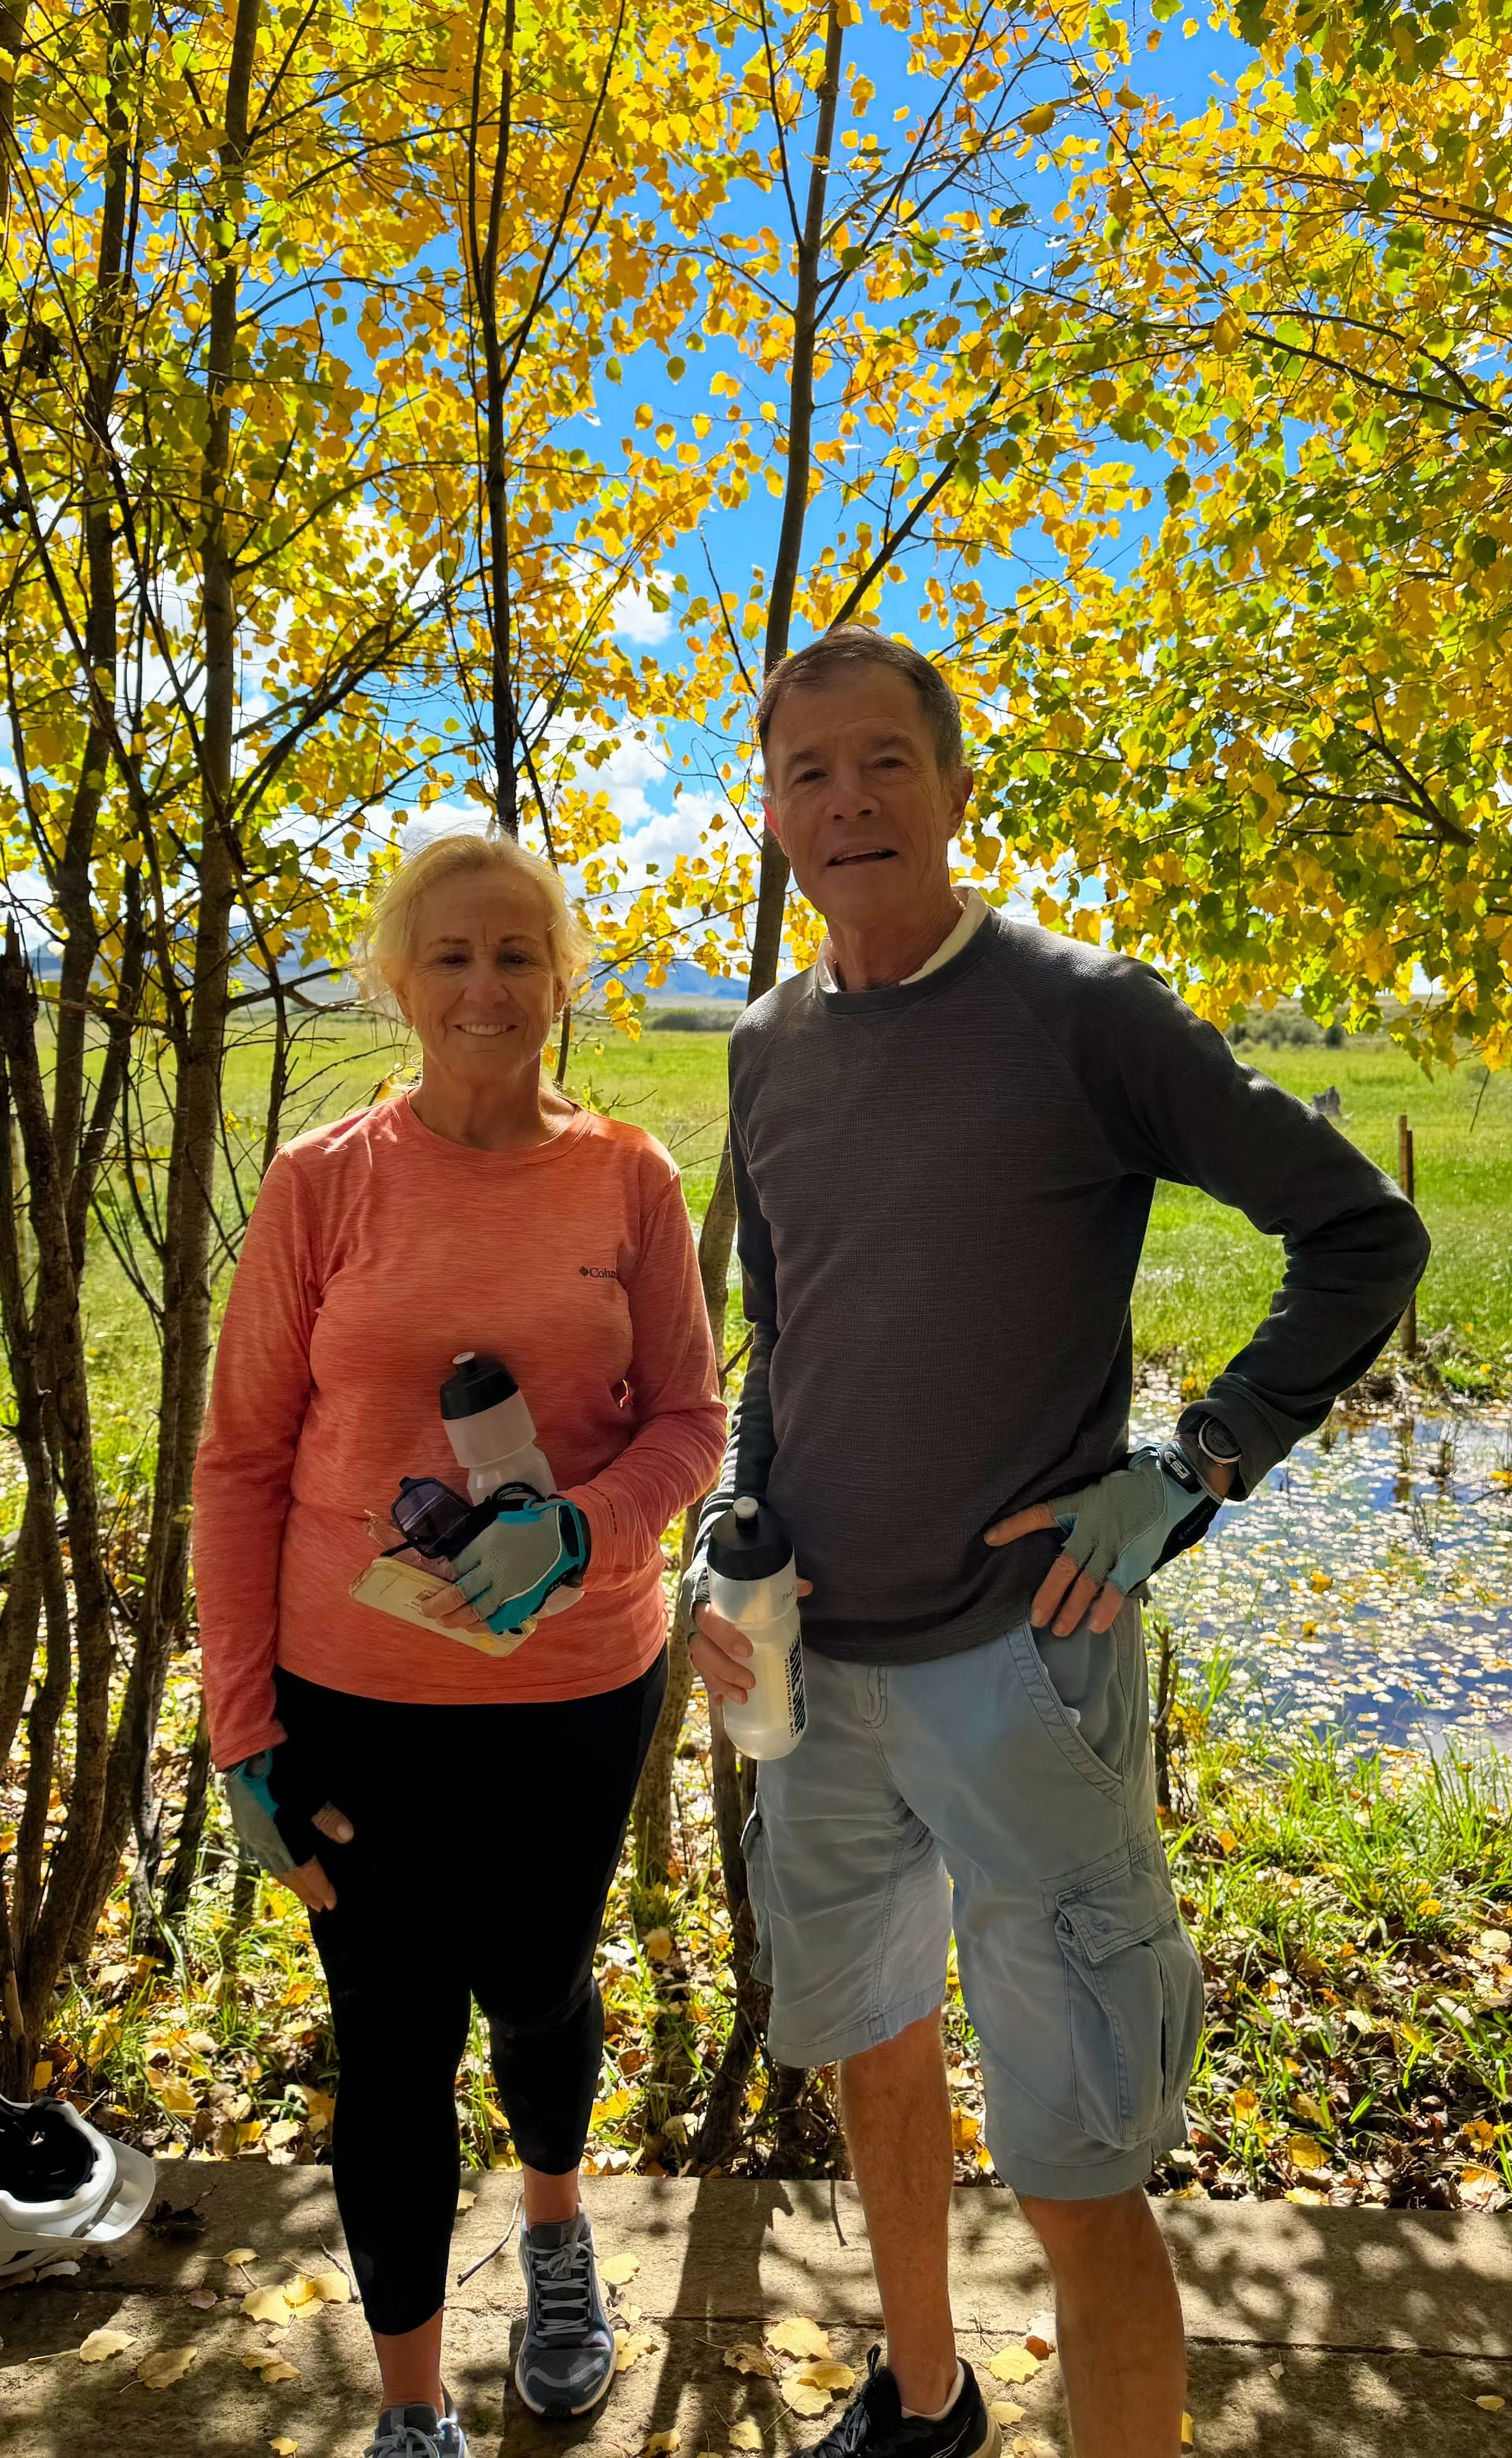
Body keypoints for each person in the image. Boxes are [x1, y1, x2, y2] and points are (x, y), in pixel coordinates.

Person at [689, 625, 1429, 2458]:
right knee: (876, 2059)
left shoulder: (1081, 1009)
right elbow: (790, 1333)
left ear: (954, 785)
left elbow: (1366, 1237)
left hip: (1029, 1666)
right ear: (771, 812)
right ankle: (927, 2397)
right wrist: (734, 1521)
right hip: (822, 1682)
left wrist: (1196, 1462)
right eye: (807, 772)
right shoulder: (770, 1045)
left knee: (1080, 2152)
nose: (845, 799)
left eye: (882, 761)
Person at [193, 829, 724, 2458]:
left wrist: (581, 1524)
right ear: (396, 979)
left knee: (542, 1986)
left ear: (564, 979)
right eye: (451, 956)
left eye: (517, 954)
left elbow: (695, 1423)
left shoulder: (629, 1178)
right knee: (395, 2031)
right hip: (355, 1705)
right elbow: (238, 1461)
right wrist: (239, 1732)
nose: (485, 986)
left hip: (574, 1691)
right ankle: (412, 2405)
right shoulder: (321, 1182)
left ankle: (559, 2239)